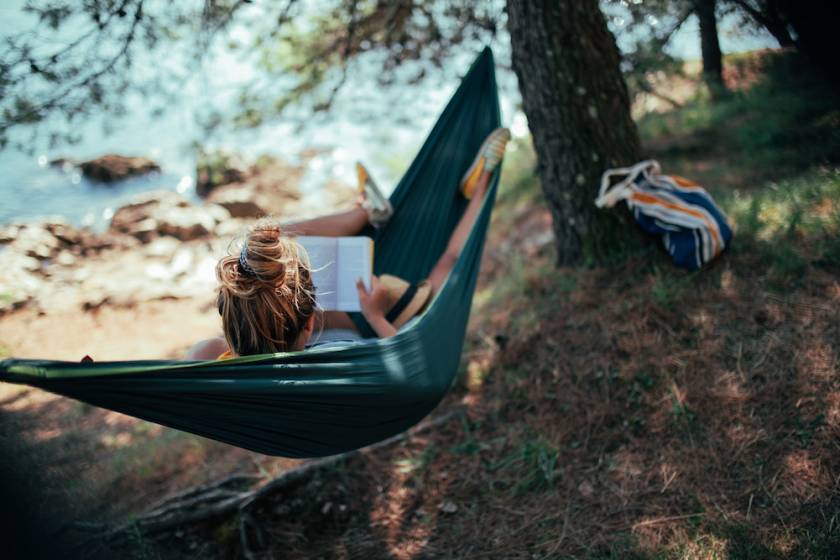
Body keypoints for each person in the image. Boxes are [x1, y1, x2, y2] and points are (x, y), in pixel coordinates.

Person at [187, 128, 511, 360]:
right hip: (370, 323)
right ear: (311, 322)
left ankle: (365, 213)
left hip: (284, 335)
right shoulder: (339, 358)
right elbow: (410, 362)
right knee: (447, 263)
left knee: (271, 242)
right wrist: (376, 317)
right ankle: (478, 186)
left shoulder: (214, 358)